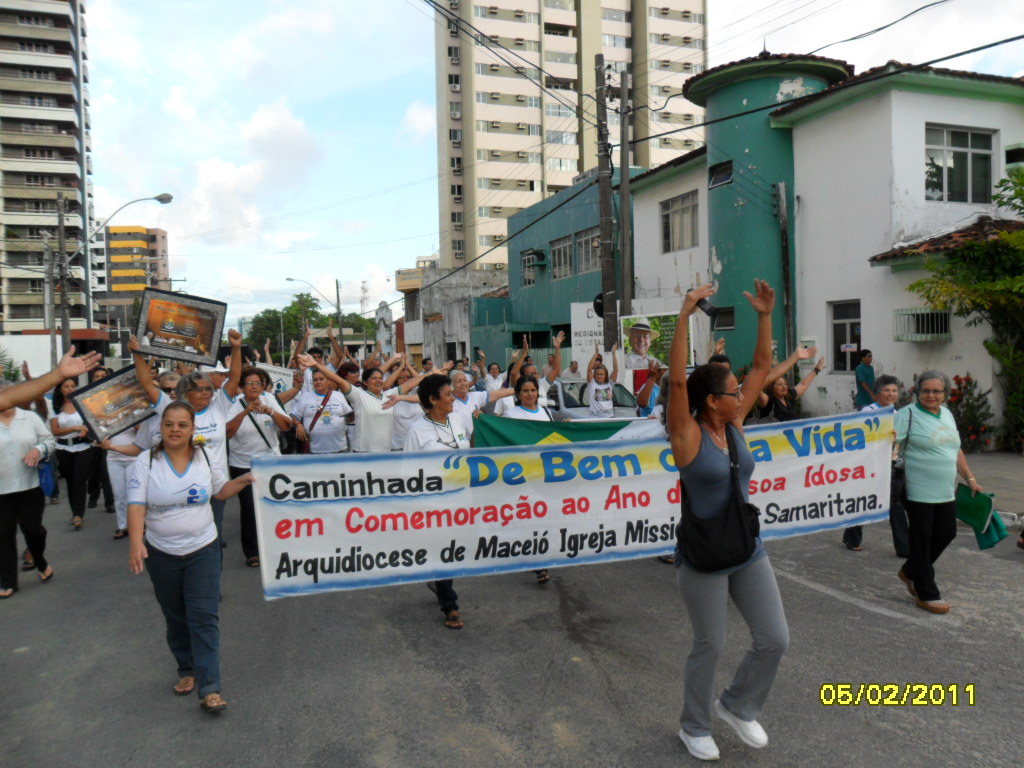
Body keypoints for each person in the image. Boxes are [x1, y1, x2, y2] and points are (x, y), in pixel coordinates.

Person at [667, 280, 788, 762]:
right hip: (703, 556)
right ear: (711, 401)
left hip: (746, 546)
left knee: (775, 638)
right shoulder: (687, 436)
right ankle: (693, 725)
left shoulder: (735, 426)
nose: (743, 396)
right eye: (733, 393)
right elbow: (677, 382)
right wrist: (683, 315)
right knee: (709, 644)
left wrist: (763, 315)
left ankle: (737, 705)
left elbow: (761, 366)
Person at [127, 401, 254, 713]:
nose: (175, 430)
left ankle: (210, 687)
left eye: (182, 425)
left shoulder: (206, 456)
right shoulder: (146, 461)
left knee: (204, 618)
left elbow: (220, 492)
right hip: (162, 554)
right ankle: (187, 669)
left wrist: (247, 480)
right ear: (161, 427)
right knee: (176, 616)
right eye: (169, 424)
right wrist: (135, 543)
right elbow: (136, 505)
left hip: (203, 550)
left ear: (192, 429)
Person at [895, 370, 982, 615]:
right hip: (917, 488)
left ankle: (911, 571)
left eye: (936, 391)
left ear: (945, 393)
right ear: (917, 392)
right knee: (921, 540)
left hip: (945, 489)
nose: (931, 395)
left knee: (947, 533)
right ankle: (926, 593)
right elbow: (890, 444)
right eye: (926, 391)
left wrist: (971, 479)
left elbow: (956, 449)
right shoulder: (906, 415)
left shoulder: (946, 414)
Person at [403, 373, 469, 629]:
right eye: (448, 395)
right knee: (445, 552)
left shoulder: (458, 420)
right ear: (432, 400)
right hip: (433, 506)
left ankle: (440, 581)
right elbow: (408, 473)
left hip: (461, 502)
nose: (453, 398)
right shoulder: (417, 431)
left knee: (455, 552)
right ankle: (449, 605)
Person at [226, 367, 292, 568]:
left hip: (270, 462)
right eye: (249, 383)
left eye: (258, 383)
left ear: (264, 386)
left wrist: (271, 412)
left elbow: (286, 426)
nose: (254, 387)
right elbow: (227, 433)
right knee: (249, 509)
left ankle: (277, 546)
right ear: (242, 387)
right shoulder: (233, 404)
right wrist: (245, 412)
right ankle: (252, 552)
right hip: (243, 464)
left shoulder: (270, 400)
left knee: (274, 505)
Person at [0, 379, 56, 598]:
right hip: (1, 491)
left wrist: (38, 449)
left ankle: (40, 560)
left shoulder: (30, 418)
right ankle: (8, 580)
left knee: (33, 530)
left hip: (29, 486)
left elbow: (49, 440)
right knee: (3, 535)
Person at [842, 375, 903, 553]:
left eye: (894, 391)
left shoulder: (897, 414)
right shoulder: (868, 411)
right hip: (870, 465)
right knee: (866, 502)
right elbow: (859, 437)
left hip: (891, 465)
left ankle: (904, 547)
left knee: (896, 504)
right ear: (878, 393)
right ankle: (851, 536)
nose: (891, 394)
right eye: (887, 390)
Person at [49, 376, 97, 529]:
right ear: (60, 389)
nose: (70, 389)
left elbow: (92, 422)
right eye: (66, 386)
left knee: (79, 480)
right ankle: (74, 511)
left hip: (83, 446)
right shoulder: (55, 406)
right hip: (64, 448)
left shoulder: (82, 402)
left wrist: (87, 429)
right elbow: (56, 430)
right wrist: (76, 428)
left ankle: (78, 514)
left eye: (73, 386)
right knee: (70, 481)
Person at [292, 365, 353, 454]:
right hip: (315, 450)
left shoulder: (338, 395)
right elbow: (294, 415)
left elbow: (349, 414)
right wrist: (298, 424)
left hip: (340, 448)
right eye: (315, 380)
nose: (318, 382)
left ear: (328, 380)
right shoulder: (305, 397)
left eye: (321, 379)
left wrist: (351, 417)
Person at [755, 351, 824, 423]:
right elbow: (757, 390)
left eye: (785, 384)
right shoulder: (768, 400)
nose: (784, 386)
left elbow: (803, 385)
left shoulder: (790, 395)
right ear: (772, 388)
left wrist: (817, 369)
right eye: (780, 384)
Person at [85, 367, 115, 514]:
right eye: (97, 376)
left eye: (103, 375)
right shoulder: (87, 396)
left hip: (109, 438)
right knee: (93, 472)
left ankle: (110, 502)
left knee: (106, 472)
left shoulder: (114, 395)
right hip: (93, 439)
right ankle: (93, 495)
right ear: (93, 379)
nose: (100, 378)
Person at [586, 343, 619, 417]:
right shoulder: (592, 384)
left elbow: (616, 369)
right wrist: (596, 353)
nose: (599, 376)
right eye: (597, 374)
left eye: (601, 374)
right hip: (595, 419)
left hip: (609, 418)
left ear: (605, 375)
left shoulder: (609, 383)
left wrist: (614, 354)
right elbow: (589, 369)